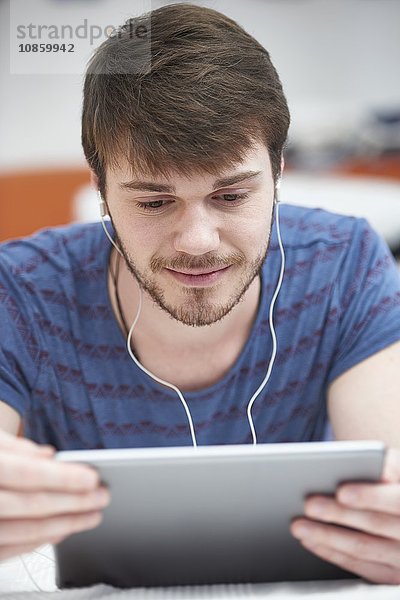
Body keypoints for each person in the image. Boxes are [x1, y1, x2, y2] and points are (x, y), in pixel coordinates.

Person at [1, 2, 400, 584]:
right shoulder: (22, 290)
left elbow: (392, 465)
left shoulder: (345, 264)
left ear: (279, 172)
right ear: (102, 190)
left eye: (232, 196)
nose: (197, 242)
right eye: (155, 203)